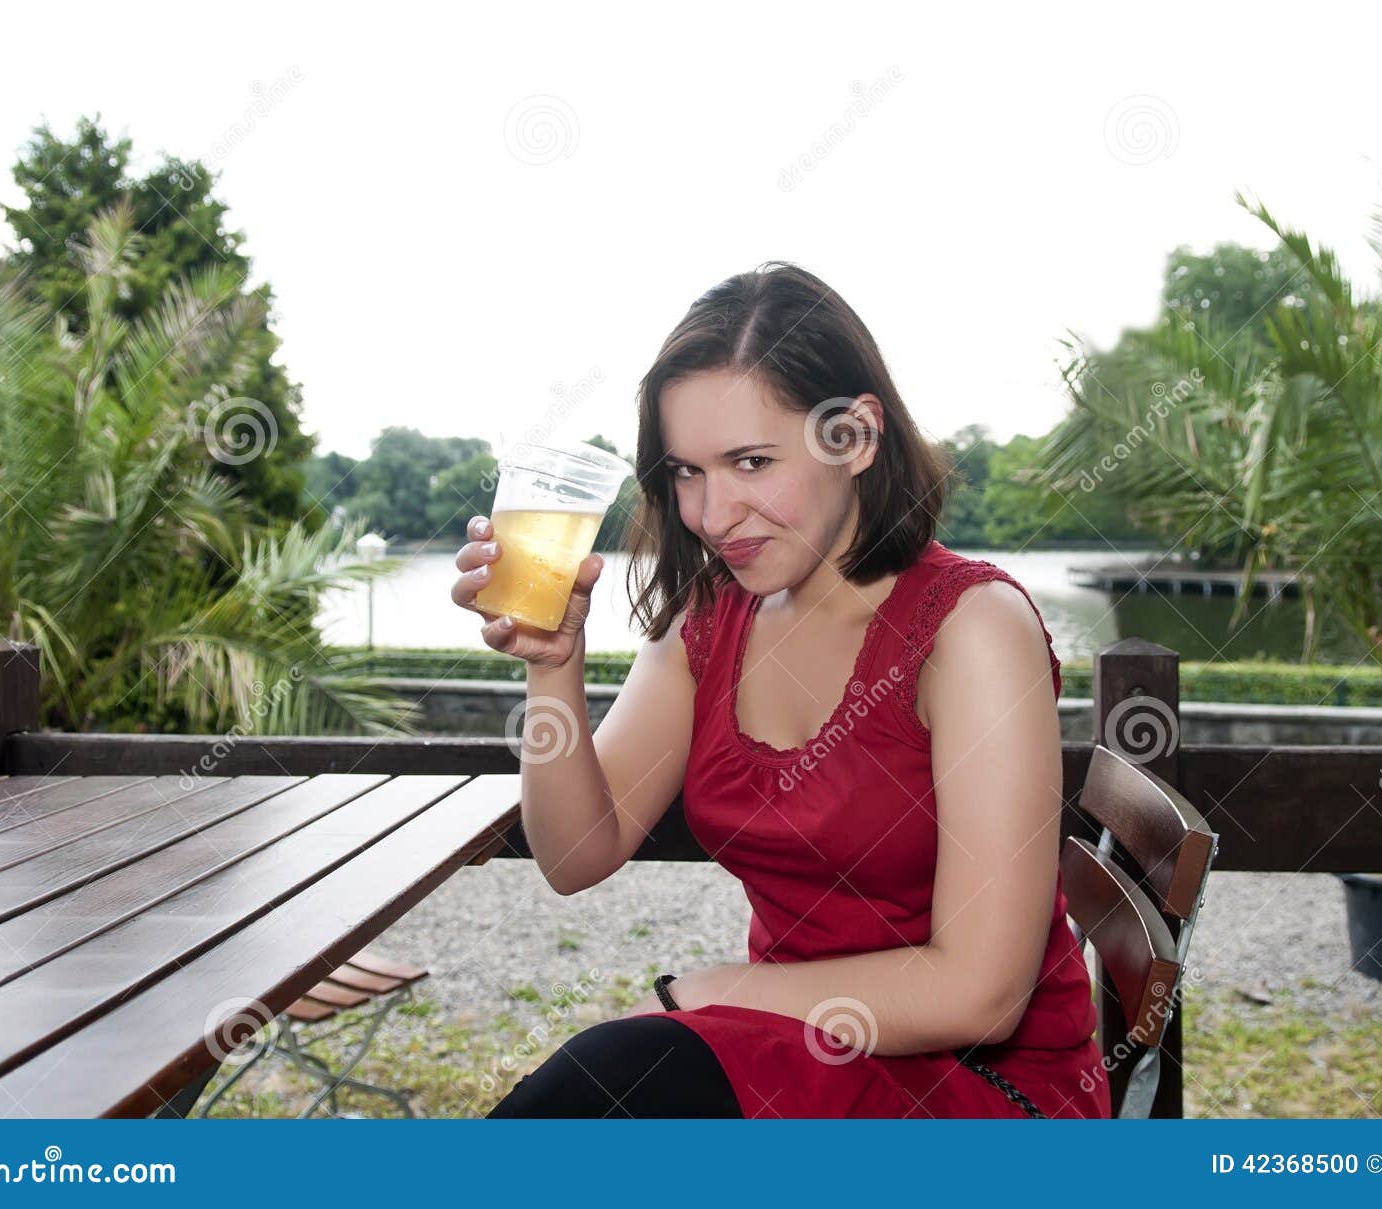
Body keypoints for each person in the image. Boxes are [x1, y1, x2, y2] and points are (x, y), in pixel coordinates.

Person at [451, 261, 1111, 1119]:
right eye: (686, 471)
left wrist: (719, 987)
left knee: (617, 1075)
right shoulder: (711, 621)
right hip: (799, 1050)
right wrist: (552, 665)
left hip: (984, 1090)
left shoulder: (972, 630)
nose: (712, 514)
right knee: (616, 1084)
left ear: (856, 437)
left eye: (751, 461)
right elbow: (577, 855)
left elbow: (982, 994)